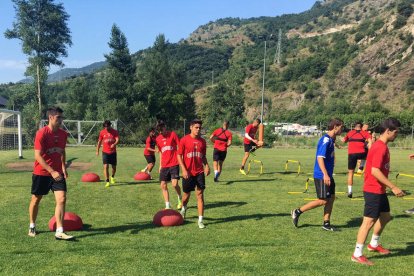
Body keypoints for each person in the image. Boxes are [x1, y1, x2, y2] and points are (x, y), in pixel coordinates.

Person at [351, 118, 405, 265]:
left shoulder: (382, 146)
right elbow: (374, 171)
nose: (396, 135)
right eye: (396, 132)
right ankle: (357, 254)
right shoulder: (380, 147)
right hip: (373, 190)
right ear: (388, 131)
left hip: (379, 190)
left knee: (386, 217)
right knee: (368, 222)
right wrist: (393, 187)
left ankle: (373, 244)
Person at [28, 107, 74, 240]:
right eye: (58, 117)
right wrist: (51, 171)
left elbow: (62, 151)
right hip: (41, 172)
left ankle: (59, 231)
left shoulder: (63, 134)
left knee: (62, 199)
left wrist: (63, 167)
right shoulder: (41, 133)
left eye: (61, 117)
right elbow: (37, 155)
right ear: (51, 117)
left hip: (58, 173)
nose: (61, 120)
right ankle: (32, 225)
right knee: (36, 199)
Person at [291, 118, 343, 231]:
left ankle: (326, 223)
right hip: (322, 175)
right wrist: (325, 174)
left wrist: (336, 144)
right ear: (335, 127)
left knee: (332, 198)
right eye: (341, 127)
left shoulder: (330, 139)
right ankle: (297, 211)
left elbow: (331, 142)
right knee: (323, 200)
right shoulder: (325, 140)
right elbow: (320, 158)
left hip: (328, 174)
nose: (342, 130)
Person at [177, 119, 210, 229]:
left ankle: (200, 220)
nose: (198, 129)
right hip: (188, 172)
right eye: (196, 127)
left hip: (199, 172)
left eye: (200, 128)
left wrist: (207, 166)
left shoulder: (203, 142)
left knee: (200, 195)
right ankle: (184, 208)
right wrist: (184, 169)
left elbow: (203, 156)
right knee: (186, 195)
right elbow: (179, 155)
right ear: (191, 127)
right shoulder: (184, 140)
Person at [155, 120, 182, 210]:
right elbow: (160, 152)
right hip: (164, 165)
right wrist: (160, 165)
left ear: (165, 127)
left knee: (174, 184)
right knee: (163, 184)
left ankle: (180, 198)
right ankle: (167, 205)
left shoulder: (173, 134)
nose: (161, 132)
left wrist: (180, 158)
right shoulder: (158, 139)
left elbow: (179, 146)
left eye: (162, 130)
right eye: (159, 131)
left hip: (174, 163)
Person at [342, 122, 372, 198]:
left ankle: (350, 191)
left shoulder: (350, 133)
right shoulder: (364, 133)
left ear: (354, 127)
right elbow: (370, 142)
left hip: (352, 154)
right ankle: (361, 166)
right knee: (367, 155)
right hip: (362, 153)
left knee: (350, 173)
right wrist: (369, 146)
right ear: (361, 127)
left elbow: (344, 141)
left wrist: (344, 139)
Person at [96, 120, 119, 188]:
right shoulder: (102, 132)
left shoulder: (114, 131)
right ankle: (107, 181)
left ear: (110, 125)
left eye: (107, 126)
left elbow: (117, 139)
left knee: (114, 167)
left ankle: (112, 177)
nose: (106, 128)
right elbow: (99, 142)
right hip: (105, 152)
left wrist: (114, 144)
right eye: (105, 127)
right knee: (105, 166)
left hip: (113, 152)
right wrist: (97, 150)